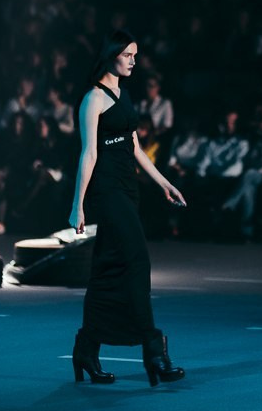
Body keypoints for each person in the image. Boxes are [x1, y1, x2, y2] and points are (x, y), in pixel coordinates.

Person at [68, 29, 186, 387]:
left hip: (128, 189)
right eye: (128, 55)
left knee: (106, 270)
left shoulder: (124, 93)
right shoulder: (93, 99)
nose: (134, 60)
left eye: (135, 54)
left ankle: (86, 348)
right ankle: (154, 350)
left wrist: (164, 182)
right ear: (111, 56)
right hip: (107, 192)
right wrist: (77, 206)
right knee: (137, 262)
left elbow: (134, 148)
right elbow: (89, 154)